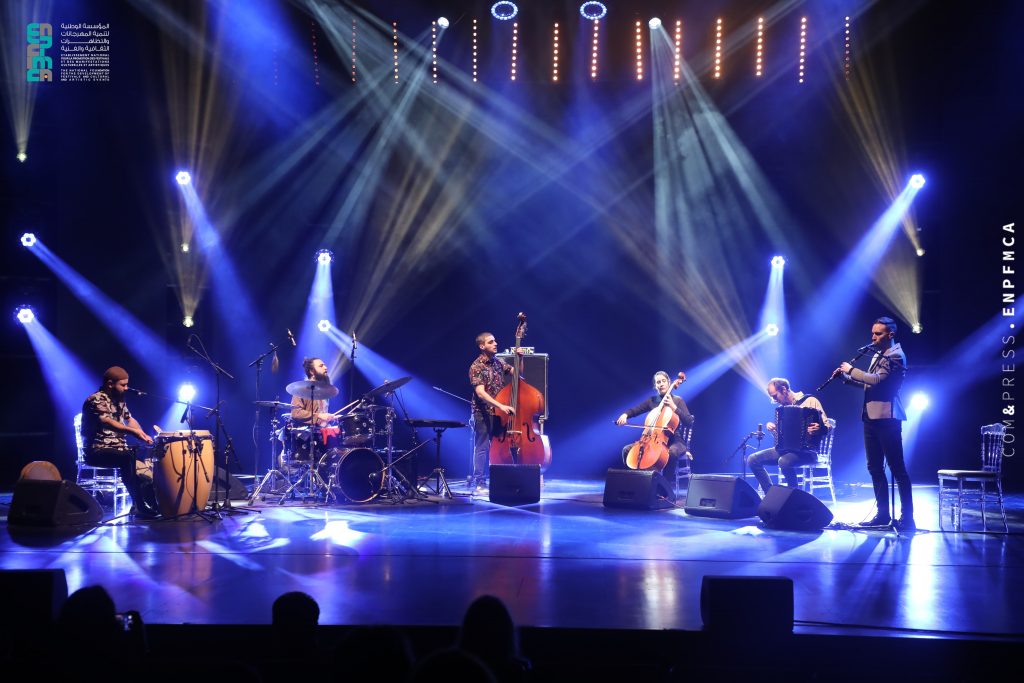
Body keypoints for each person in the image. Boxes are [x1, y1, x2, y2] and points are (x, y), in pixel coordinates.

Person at [838, 316, 914, 530]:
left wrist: (850, 370)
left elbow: (877, 380)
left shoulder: (895, 355)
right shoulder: (877, 355)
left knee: (897, 469)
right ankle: (882, 514)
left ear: (891, 334)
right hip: (870, 418)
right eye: (872, 333)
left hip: (888, 417)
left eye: (878, 333)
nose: (873, 337)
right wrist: (846, 380)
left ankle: (908, 518)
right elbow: (869, 385)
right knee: (874, 467)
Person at [81, 366, 158, 517]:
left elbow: (129, 419)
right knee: (127, 458)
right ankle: (140, 506)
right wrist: (134, 432)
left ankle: (150, 505)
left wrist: (142, 434)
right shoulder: (95, 399)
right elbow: (107, 422)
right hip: (97, 450)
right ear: (110, 384)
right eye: (123, 385)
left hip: (119, 451)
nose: (126, 388)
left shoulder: (119, 400)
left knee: (137, 463)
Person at [746, 377, 829, 496]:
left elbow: (827, 426)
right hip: (786, 450)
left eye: (775, 396)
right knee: (752, 459)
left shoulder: (810, 400)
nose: (775, 400)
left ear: (784, 390)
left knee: (784, 461)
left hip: (808, 452)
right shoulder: (782, 410)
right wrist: (773, 428)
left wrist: (818, 428)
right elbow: (782, 438)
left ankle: (794, 497)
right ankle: (770, 495)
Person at [616, 371, 695, 479]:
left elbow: (689, 421)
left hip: (675, 440)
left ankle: (665, 486)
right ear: (655, 386)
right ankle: (635, 481)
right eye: (658, 382)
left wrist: (673, 407)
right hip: (652, 440)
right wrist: (625, 415)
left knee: (671, 453)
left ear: (669, 382)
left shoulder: (677, 400)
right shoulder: (652, 401)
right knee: (626, 450)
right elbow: (636, 410)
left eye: (663, 381)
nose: (661, 384)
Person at [468, 332, 515, 491]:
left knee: (500, 445)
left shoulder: (498, 362)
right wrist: (501, 406)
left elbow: (517, 374)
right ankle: (479, 482)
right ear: (482, 346)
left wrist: (519, 358)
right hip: (482, 412)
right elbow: (481, 393)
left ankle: (501, 477)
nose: (495, 343)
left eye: (495, 341)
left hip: (498, 413)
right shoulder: (476, 366)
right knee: (482, 447)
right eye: (491, 342)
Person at [290, 357, 338, 426]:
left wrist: (331, 417)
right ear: (312, 371)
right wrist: (318, 415)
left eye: (324, 365)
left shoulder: (324, 390)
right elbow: (296, 413)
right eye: (321, 366)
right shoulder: (301, 389)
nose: (325, 368)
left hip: (322, 430)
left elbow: (323, 415)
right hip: (307, 431)